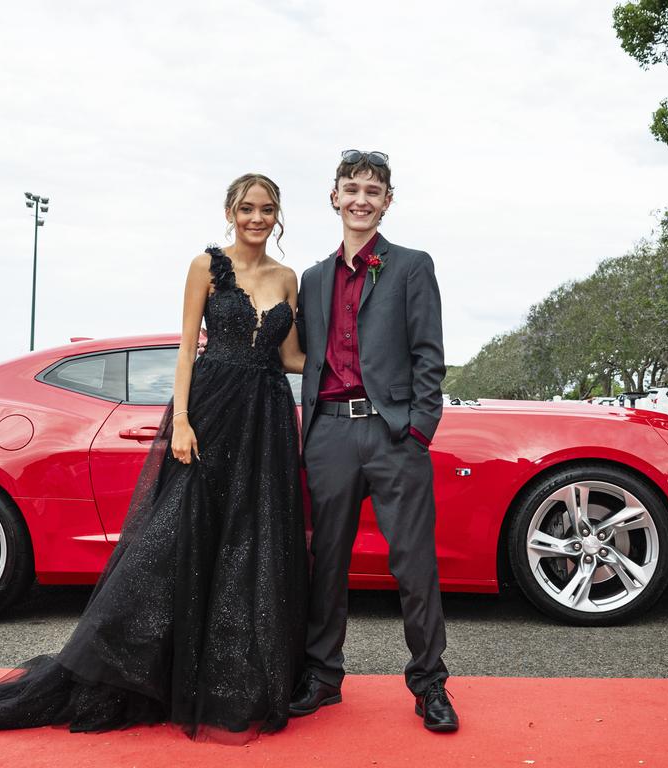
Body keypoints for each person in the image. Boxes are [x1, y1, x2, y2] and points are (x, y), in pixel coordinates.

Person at [0, 173, 308, 739]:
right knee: (174, 544)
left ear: (277, 215)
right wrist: (180, 420)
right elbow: (186, 351)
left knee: (250, 547)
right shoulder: (207, 266)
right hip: (209, 413)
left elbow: (292, 356)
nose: (257, 218)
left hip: (266, 421)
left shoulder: (287, 277)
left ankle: (234, 680)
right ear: (230, 211)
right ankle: (122, 672)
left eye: (267, 209)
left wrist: (360, 362)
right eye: (247, 208)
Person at [289, 150, 457, 732]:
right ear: (333, 197)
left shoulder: (412, 266)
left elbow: (428, 355)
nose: (361, 199)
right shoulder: (312, 279)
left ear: (387, 201)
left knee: (414, 563)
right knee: (325, 561)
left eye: (373, 190)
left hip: (393, 434)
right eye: (351, 188)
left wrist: (418, 429)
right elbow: (297, 355)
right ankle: (321, 677)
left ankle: (430, 684)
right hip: (329, 431)